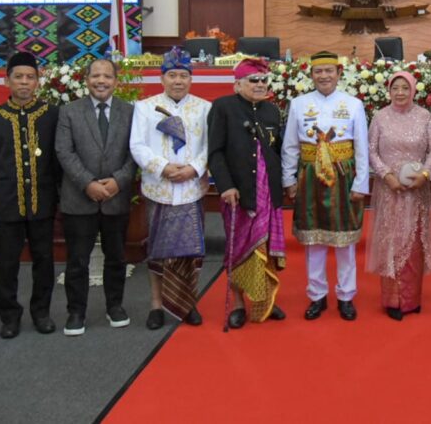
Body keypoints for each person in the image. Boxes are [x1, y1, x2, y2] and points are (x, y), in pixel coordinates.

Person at [0, 52, 60, 338]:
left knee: (44, 260)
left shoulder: (52, 114)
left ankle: (41, 312)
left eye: (30, 77)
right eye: (18, 77)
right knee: (7, 263)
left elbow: (57, 160)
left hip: (43, 200)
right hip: (4, 202)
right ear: (6, 80)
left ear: (38, 81)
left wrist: (61, 199)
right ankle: (9, 316)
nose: (24, 83)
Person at [281, 51, 369, 321]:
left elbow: (362, 148)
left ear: (339, 74)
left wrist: (361, 184)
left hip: (343, 174)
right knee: (314, 240)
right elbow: (290, 146)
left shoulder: (353, 104)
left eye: (329, 71)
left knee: (345, 242)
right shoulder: (298, 104)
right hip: (310, 176)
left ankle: (346, 296)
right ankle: (317, 295)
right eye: (319, 72)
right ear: (311, 75)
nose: (324, 76)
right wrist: (289, 180)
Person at [55, 58, 137, 336]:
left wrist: (118, 181)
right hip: (79, 198)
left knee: (116, 257)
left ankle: (115, 306)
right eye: (96, 76)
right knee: (77, 260)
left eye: (107, 76)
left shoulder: (130, 112)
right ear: (86, 79)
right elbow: (64, 152)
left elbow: (135, 153)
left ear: (116, 81)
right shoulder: (69, 112)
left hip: (117, 197)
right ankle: (76, 311)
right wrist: (88, 184)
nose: (101, 81)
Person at [130, 47, 210, 328]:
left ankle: (189, 303)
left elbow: (210, 147)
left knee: (191, 251)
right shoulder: (144, 107)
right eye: (172, 75)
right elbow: (137, 145)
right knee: (158, 250)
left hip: (191, 190)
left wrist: (193, 169)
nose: (178, 81)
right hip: (159, 190)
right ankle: (156, 305)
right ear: (162, 78)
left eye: (184, 76)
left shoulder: (204, 108)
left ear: (191, 79)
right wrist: (162, 167)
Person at [208, 58, 287, 329]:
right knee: (240, 248)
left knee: (266, 248)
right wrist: (225, 185)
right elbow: (215, 152)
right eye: (254, 80)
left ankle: (266, 299)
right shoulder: (223, 108)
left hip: (269, 195)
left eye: (264, 80)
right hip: (239, 194)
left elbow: (277, 152)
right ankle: (239, 303)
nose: (260, 85)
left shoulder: (272, 111)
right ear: (237, 84)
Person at [366, 70, 431, 320]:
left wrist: (425, 174)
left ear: (413, 90)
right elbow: (371, 151)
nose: (400, 93)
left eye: (405, 88)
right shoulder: (380, 117)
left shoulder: (425, 117)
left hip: (417, 192)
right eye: (395, 87)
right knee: (392, 241)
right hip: (390, 191)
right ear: (388, 90)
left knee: (414, 244)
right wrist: (387, 176)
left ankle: (411, 299)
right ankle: (393, 300)